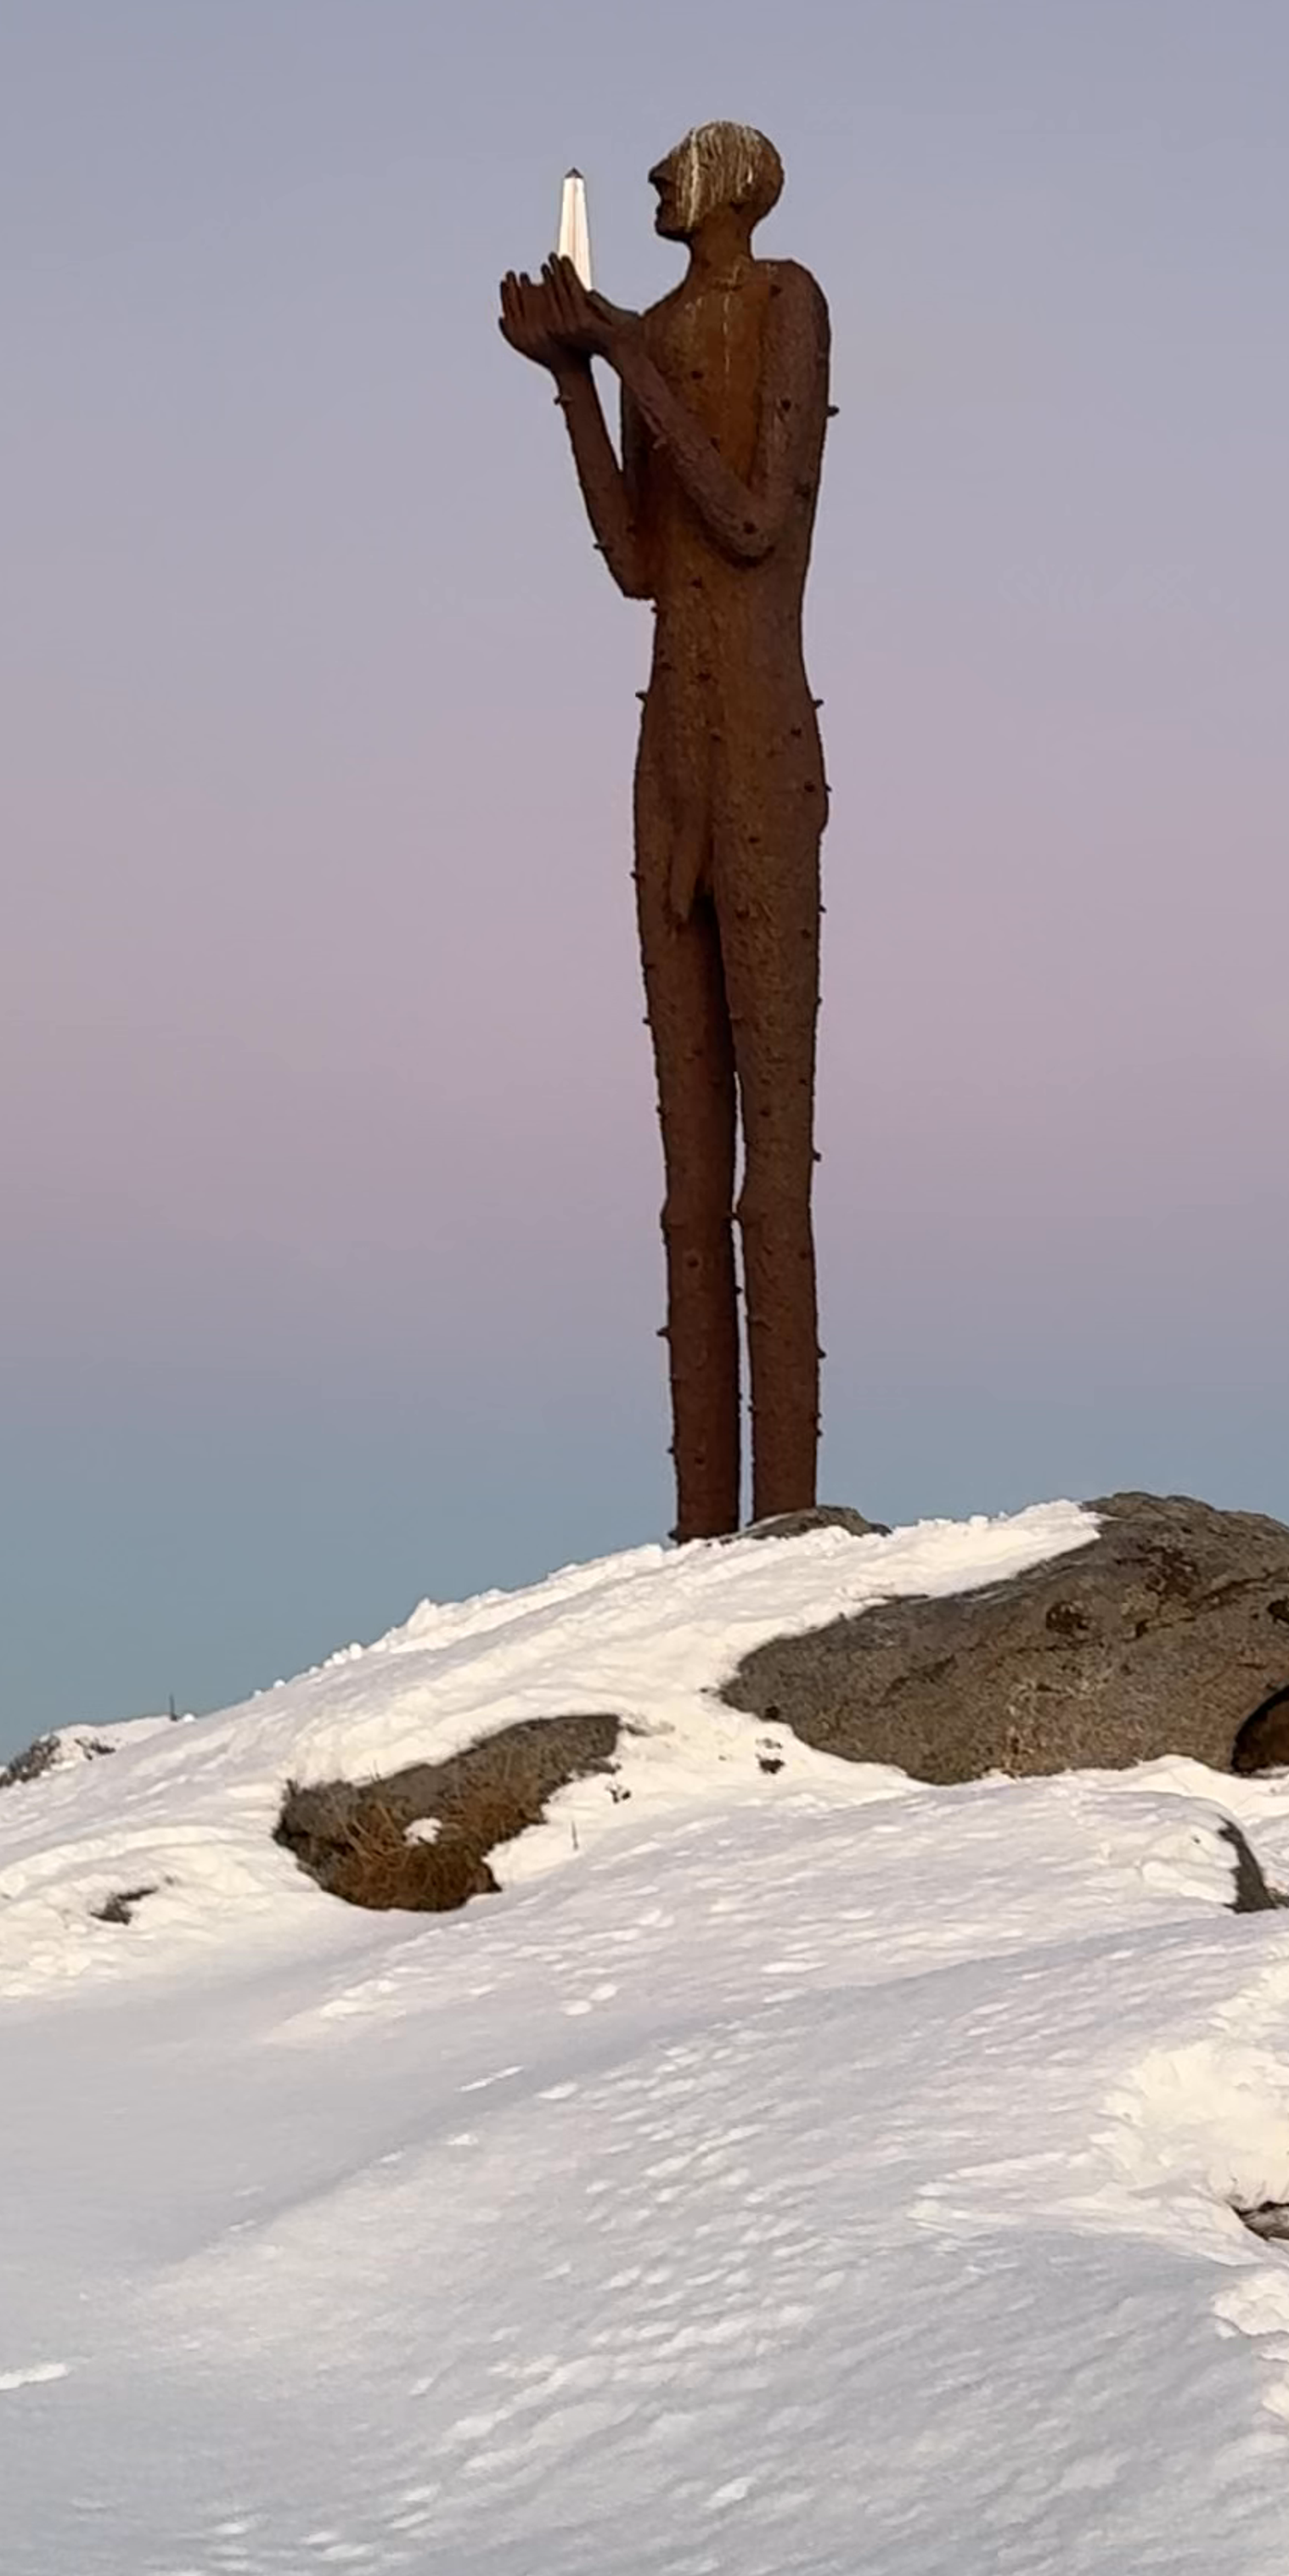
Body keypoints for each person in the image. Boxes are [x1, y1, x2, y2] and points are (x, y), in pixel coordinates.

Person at [498, 121, 830, 1536]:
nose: (652, 180)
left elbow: (755, 521)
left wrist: (626, 355)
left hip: (757, 748)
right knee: (689, 1189)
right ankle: (700, 1542)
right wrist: (576, 383)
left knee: (771, 1174)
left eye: (680, 162)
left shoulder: (783, 303)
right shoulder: (653, 333)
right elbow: (643, 562)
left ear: (736, 183)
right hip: (669, 762)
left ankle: (786, 1527)